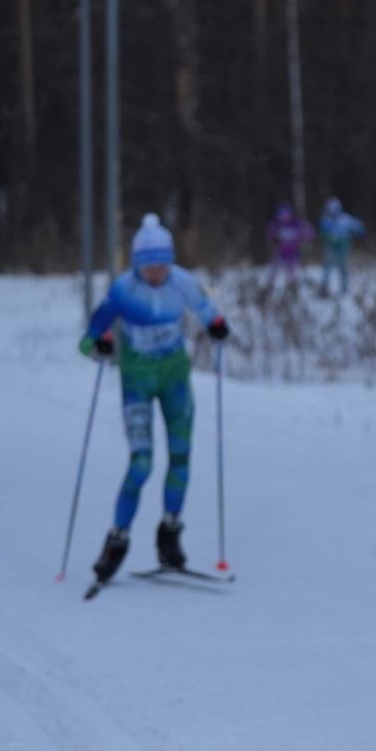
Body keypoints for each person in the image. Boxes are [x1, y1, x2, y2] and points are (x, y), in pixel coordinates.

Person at [81, 216, 230, 583]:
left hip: (175, 379)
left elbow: (208, 311)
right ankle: (117, 539)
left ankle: (170, 534)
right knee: (142, 463)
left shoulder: (183, 282)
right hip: (138, 382)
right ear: (136, 264)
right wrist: (98, 345)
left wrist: (217, 326)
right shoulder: (123, 289)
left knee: (180, 455)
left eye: (162, 264)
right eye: (148, 266)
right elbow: (89, 336)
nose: (156, 273)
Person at [318, 196, 365, 294]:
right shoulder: (326, 221)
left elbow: (359, 226)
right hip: (331, 247)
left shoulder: (345, 219)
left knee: (342, 267)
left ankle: (344, 288)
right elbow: (322, 234)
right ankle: (324, 287)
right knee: (327, 267)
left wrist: (360, 233)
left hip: (343, 248)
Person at [267, 202, 311, 278]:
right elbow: (270, 234)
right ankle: (270, 284)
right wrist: (274, 240)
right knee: (275, 269)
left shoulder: (295, 224)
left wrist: (304, 241)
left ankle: (293, 285)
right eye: (282, 214)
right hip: (281, 252)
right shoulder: (277, 225)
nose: (284, 216)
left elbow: (307, 232)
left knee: (291, 270)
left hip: (293, 253)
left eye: (286, 213)